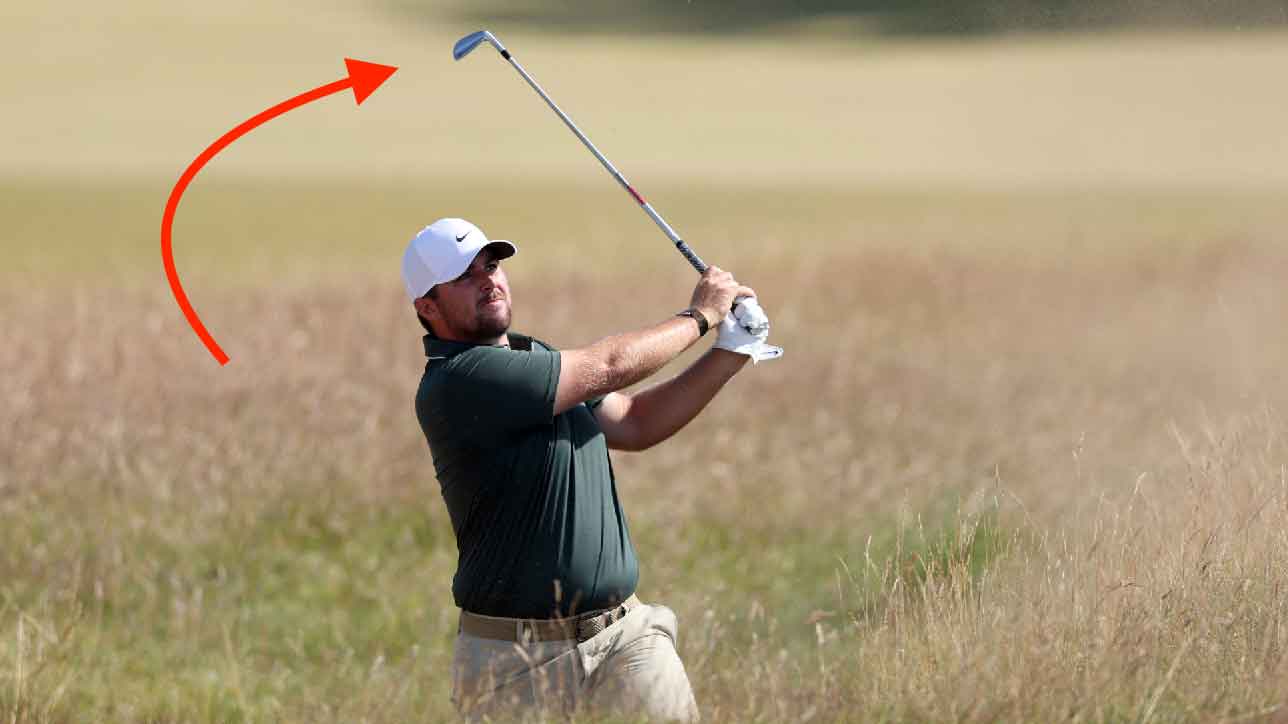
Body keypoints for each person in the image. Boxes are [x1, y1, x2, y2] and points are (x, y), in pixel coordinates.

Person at [402, 218, 779, 721]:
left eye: (490, 265)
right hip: (515, 662)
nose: (488, 280)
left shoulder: (532, 357)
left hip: (624, 637)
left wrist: (731, 352)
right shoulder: (460, 381)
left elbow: (636, 423)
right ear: (428, 307)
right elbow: (608, 364)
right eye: (464, 277)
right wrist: (701, 315)